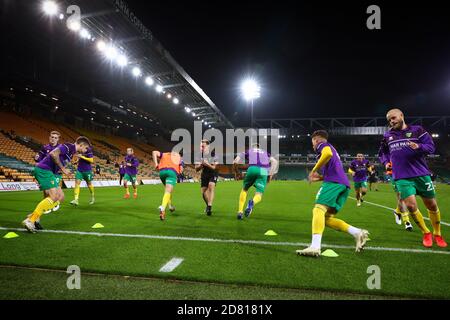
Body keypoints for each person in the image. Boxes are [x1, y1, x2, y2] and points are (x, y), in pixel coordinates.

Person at [379, 108, 446, 247]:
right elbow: (383, 153)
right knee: (410, 205)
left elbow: (430, 147)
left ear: (402, 115)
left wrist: (419, 146)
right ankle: (426, 232)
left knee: (432, 205)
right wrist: (386, 163)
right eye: (389, 120)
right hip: (401, 176)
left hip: (421, 174)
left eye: (393, 117)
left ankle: (437, 234)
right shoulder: (387, 136)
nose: (391, 121)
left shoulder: (417, 130)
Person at [297, 130, 369, 257]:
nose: (312, 145)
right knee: (326, 219)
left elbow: (327, 154)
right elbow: (331, 170)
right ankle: (358, 233)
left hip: (334, 184)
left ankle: (315, 246)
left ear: (316, 140)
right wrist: (318, 178)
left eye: (312, 142)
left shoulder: (323, 146)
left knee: (318, 210)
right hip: (343, 185)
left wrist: (313, 170)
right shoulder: (332, 149)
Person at [22, 137, 92, 233]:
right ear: (81, 145)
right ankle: (31, 220)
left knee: (61, 197)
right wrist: (63, 168)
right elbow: (53, 154)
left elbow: (60, 160)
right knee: (53, 196)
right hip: (44, 170)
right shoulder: (69, 146)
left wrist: (63, 169)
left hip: (50, 172)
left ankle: (33, 216)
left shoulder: (71, 152)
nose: (85, 150)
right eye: (85, 148)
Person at [233, 143, 278, 220]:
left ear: (252, 147)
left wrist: (237, 173)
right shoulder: (265, 152)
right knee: (259, 193)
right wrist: (270, 175)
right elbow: (275, 162)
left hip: (252, 169)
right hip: (264, 171)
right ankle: (252, 203)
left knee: (245, 189)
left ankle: (240, 211)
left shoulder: (249, 151)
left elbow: (235, 161)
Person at [34, 130, 62, 220]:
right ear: (49, 137)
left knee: (57, 192)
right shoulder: (45, 148)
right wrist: (36, 159)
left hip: (56, 173)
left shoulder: (60, 148)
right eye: (52, 137)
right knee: (46, 191)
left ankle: (52, 203)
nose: (53, 139)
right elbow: (39, 160)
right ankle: (45, 206)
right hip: (46, 172)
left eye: (55, 138)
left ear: (58, 139)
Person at [152, 150, 183, 220]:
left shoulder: (165, 154)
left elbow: (154, 152)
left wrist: (156, 164)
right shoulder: (179, 158)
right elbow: (181, 169)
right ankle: (162, 208)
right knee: (168, 191)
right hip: (171, 172)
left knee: (168, 190)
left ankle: (170, 206)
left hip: (162, 172)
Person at [385, 161, 413, 231]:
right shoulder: (388, 152)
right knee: (401, 196)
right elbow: (387, 164)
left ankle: (397, 212)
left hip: (408, 174)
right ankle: (407, 221)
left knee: (406, 197)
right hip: (395, 175)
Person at [195, 139, 219, 216]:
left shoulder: (214, 154)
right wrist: (201, 165)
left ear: (208, 145)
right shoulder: (199, 155)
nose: (201, 147)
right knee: (203, 193)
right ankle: (208, 205)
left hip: (213, 173)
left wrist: (207, 164)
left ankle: (209, 206)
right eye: (200, 146)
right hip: (204, 173)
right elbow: (196, 168)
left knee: (211, 186)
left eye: (203, 145)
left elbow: (215, 167)